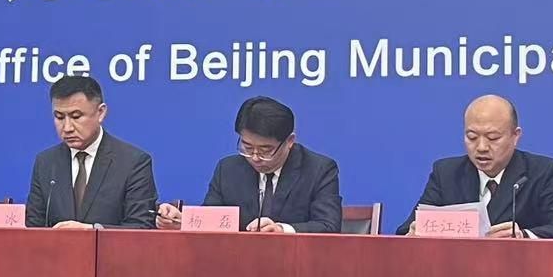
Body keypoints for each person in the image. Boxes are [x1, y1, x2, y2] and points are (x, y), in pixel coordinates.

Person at [396, 94, 553, 240]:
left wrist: (523, 236)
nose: (481, 147)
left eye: (493, 138)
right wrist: (413, 234)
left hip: (519, 271)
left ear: (515, 136)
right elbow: (405, 230)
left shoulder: (542, 172)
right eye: (472, 137)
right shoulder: (446, 173)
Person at [156, 96, 341, 233]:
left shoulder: (319, 169)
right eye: (247, 147)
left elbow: (328, 225)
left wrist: (282, 229)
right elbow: (212, 221)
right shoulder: (228, 169)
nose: (255, 157)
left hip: (296, 265)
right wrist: (182, 222)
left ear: (289, 141)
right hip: (236, 265)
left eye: (266, 150)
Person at [25, 74, 157, 229]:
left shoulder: (133, 162)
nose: (67, 127)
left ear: (101, 113)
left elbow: (141, 227)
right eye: (59, 117)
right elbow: (33, 226)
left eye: (76, 116)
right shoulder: (46, 162)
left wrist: (92, 231)